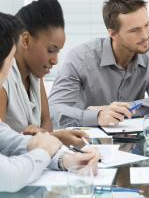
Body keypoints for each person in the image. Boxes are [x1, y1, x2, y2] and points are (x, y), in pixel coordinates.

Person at [0, 12, 99, 193]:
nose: (9, 69)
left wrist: (64, 159)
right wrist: (44, 150)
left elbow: (11, 140)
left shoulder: (35, 76)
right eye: (9, 60)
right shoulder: (7, 83)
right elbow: (9, 176)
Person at [48, 0, 149, 128]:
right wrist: (97, 116)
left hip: (133, 143)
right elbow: (53, 111)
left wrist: (124, 109)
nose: (145, 35)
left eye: (146, 25)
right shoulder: (80, 58)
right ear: (113, 33)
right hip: (87, 142)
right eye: (134, 30)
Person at [0, 0, 88, 147]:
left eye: (58, 52)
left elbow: (47, 123)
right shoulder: (3, 78)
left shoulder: (35, 73)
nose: (55, 60)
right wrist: (38, 138)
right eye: (51, 50)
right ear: (26, 40)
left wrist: (49, 136)